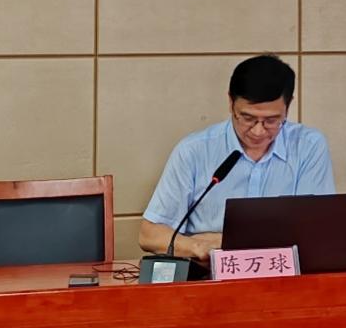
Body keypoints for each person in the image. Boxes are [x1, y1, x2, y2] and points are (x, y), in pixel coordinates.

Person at [138, 54, 334, 263]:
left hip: (285, 275)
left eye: (271, 120)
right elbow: (149, 235)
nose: (258, 131)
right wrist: (197, 246)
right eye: (248, 118)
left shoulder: (308, 147)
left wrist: (226, 241)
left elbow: (318, 232)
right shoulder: (194, 151)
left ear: (288, 106)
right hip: (208, 274)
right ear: (231, 103)